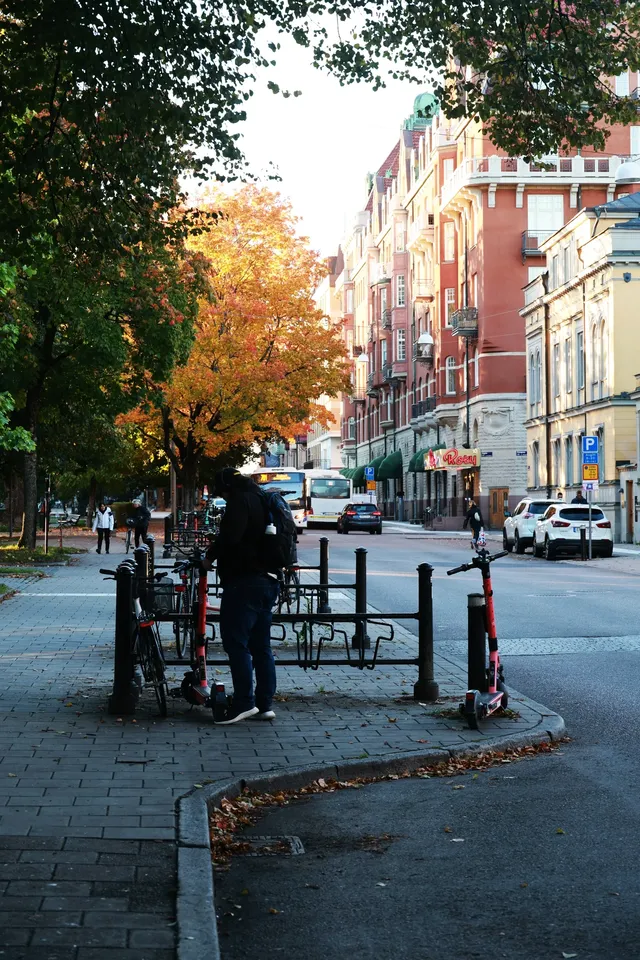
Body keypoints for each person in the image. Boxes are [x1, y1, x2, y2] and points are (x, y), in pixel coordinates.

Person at [203, 468, 280, 725]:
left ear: (228, 488)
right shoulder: (262, 498)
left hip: (244, 581)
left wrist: (209, 556)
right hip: (269, 580)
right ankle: (264, 703)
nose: (222, 497)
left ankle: (244, 703)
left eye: (222, 493)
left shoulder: (240, 501)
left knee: (236, 643)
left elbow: (231, 537)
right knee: (262, 646)